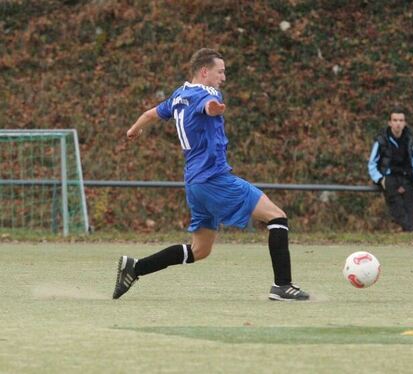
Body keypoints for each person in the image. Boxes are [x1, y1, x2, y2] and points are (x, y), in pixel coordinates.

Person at [115, 48, 309, 301]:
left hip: (195, 185)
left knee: (199, 250)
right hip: (214, 179)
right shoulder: (206, 92)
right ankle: (283, 286)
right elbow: (207, 105)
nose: (223, 77)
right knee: (277, 217)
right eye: (221, 71)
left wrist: (133, 130)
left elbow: (151, 114)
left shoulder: (179, 96)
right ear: (204, 72)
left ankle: (135, 268)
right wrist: (213, 107)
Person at [367, 108, 413, 232]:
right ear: (390, 123)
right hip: (388, 175)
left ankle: (410, 228)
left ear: (405, 123)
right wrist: (379, 179)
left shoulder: (409, 139)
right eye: (395, 120)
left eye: (401, 120)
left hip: (406, 175)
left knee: (410, 203)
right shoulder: (381, 140)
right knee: (395, 202)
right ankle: (410, 229)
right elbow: (372, 163)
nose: (398, 123)